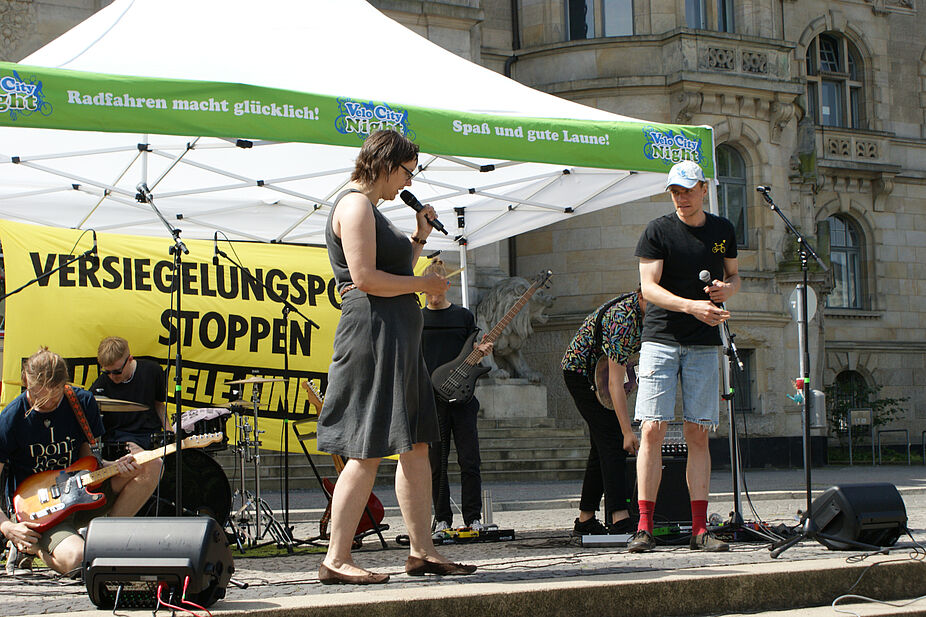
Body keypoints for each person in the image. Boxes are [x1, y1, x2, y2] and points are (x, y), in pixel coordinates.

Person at [317, 129, 475, 584]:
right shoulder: (354, 205)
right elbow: (365, 277)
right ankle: (336, 557)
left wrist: (418, 240)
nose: (407, 182)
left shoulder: (374, 211)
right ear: (385, 164)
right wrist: (424, 285)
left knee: (417, 445)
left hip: (397, 338)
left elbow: (388, 266)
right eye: (406, 171)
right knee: (365, 447)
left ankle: (421, 551)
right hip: (373, 335)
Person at [628, 160, 740, 553]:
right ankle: (644, 527)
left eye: (688, 190)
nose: (681, 197)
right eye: (675, 191)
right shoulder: (658, 230)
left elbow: (734, 274)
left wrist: (728, 290)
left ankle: (699, 529)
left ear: (704, 188)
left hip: (704, 343)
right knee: (652, 430)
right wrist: (692, 307)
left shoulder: (722, 230)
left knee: (697, 433)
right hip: (660, 339)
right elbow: (648, 289)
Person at [0, 348, 159, 575]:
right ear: (26, 382)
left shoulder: (81, 402)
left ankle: (105, 541)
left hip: (82, 494)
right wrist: (7, 526)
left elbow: (90, 463)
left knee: (151, 464)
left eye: (53, 398)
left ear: (64, 384)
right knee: (80, 560)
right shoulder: (10, 418)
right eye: (37, 397)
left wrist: (117, 467)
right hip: (41, 512)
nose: (45, 404)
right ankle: (33, 548)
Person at [420, 258, 493, 534]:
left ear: (447, 285)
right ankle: (441, 519)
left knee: (469, 459)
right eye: (429, 287)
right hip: (432, 400)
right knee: (436, 462)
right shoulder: (418, 318)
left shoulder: (463, 317)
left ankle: (473, 518)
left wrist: (482, 352)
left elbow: (471, 357)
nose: (434, 293)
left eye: (438, 287)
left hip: (463, 399)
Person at [90, 336, 169, 451]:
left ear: (130, 359)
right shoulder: (101, 384)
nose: (112, 376)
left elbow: (159, 404)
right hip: (119, 440)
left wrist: (169, 433)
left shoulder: (153, 370)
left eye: (117, 372)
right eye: (107, 372)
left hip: (149, 436)